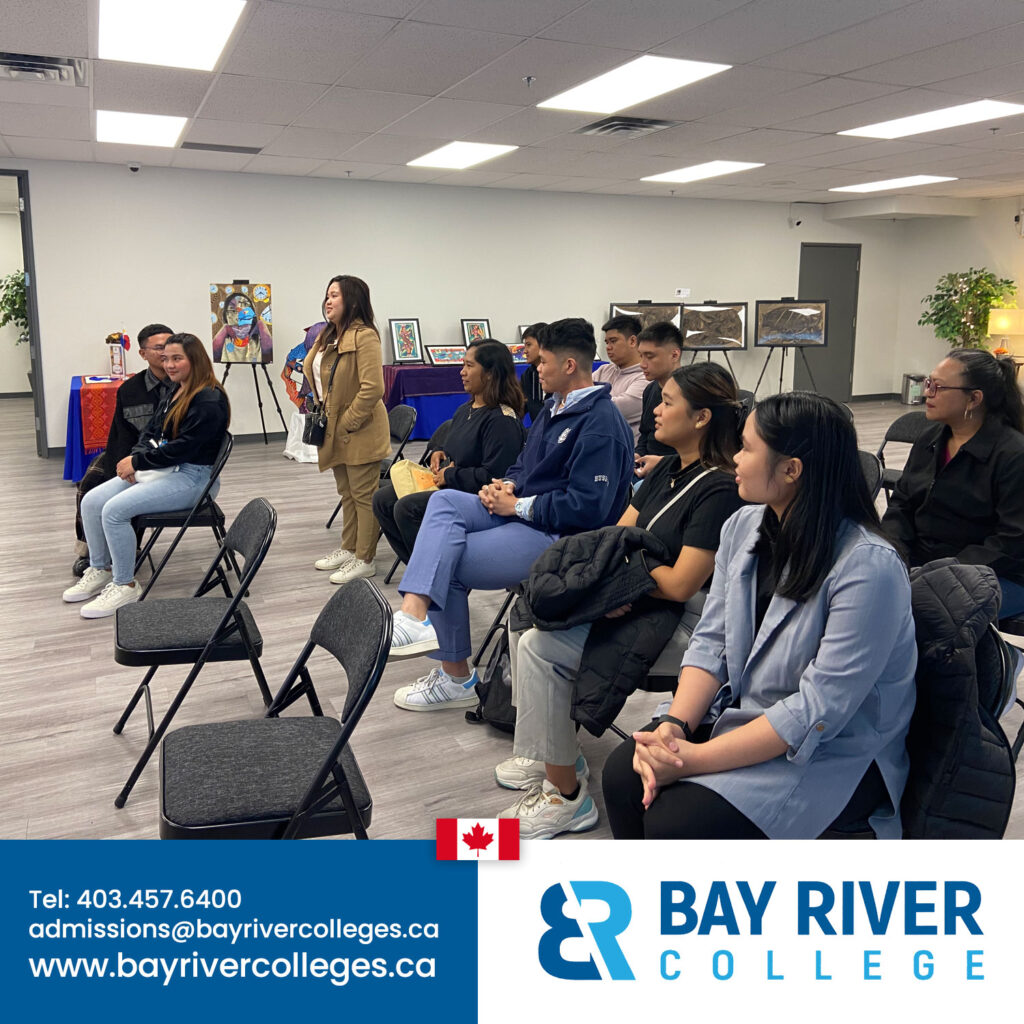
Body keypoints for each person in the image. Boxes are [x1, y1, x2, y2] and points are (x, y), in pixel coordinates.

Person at [602, 392, 918, 840]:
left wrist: (692, 759)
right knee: (622, 775)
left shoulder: (869, 567)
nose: (734, 458)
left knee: (677, 820)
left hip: (832, 751)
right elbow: (712, 640)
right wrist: (675, 725)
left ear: (791, 469)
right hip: (751, 715)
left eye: (747, 448)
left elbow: (816, 710)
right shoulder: (743, 526)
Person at [496, 363, 745, 839]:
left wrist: (622, 583)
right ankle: (554, 757)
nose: (655, 410)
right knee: (527, 617)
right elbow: (617, 536)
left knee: (540, 649)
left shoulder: (717, 489)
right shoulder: (669, 469)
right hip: (643, 604)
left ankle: (567, 797)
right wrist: (601, 590)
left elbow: (680, 586)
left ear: (701, 418)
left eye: (668, 402)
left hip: (688, 627)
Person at [388, 317, 635, 711]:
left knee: (446, 560)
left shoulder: (601, 423)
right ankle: (415, 615)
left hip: (561, 537)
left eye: (543, 362)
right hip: (525, 514)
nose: (536, 368)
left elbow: (588, 507)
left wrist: (517, 505)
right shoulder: (555, 409)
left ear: (569, 366)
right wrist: (508, 485)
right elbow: (525, 465)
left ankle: (455, 679)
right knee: (443, 502)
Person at [63, 333, 231, 619]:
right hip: (162, 468)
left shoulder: (209, 399)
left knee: (114, 511)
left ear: (196, 359)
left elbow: (183, 449)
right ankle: (100, 568)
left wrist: (139, 461)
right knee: (91, 501)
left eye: (177, 358)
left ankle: (125, 584)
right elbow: (150, 432)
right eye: (165, 358)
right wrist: (136, 460)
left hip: (194, 479)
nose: (169, 365)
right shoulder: (174, 388)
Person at [882, 349, 1024, 617]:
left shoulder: (1013, 455)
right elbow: (901, 504)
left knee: (914, 611)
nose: (927, 393)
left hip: (994, 576)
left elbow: (1011, 542)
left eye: (938, 387)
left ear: (974, 399)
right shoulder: (930, 439)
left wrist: (941, 574)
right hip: (925, 567)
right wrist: (894, 554)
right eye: (928, 383)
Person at [373, 340, 526, 566]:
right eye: (463, 365)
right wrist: (438, 451)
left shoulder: (502, 420)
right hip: (450, 486)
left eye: (469, 366)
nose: (462, 372)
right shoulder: (466, 409)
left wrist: (451, 476)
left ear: (490, 374)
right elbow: (452, 445)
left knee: (407, 508)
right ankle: (420, 567)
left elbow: (497, 477)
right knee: (382, 499)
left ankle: (439, 572)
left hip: (477, 498)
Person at [72, 323, 175, 576]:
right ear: (143, 354)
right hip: (130, 451)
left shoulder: (185, 385)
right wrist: (120, 466)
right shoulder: (130, 389)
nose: (165, 353)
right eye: (159, 347)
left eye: (171, 346)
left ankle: (132, 546)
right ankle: (89, 551)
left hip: (166, 458)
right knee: (91, 482)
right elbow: (120, 434)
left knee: (131, 492)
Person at [308, 275, 391, 584]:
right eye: (327, 295)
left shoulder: (365, 336)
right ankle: (349, 547)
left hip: (360, 428)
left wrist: (347, 422)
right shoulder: (329, 334)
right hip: (334, 426)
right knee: (347, 493)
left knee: (364, 495)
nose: (328, 301)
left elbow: (372, 389)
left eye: (335, 296)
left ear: (353, 301)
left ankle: (365, 558)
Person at [634, 320, 683, 478]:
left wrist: (663, 463)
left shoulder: (692, 391)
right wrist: (638, 455)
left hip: (678, 471)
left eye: (649, 356)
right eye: (641, 356)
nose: (642, 364)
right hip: (648, 467)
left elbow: (705, 452)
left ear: (674, 355)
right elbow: (645, 434)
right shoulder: (650, 389)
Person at [595, 315, 648, 441]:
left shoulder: (645, 378)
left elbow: (611, 411)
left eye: (613, 341)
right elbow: (576, 392)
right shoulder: (604, 370)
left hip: (626, 453)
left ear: (632, 341)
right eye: (607, 342)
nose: (608, 347)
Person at [212, 292, 273, 363]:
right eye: (233, 310)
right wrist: (225, 329)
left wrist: (261, 325)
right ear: (226, 315)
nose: (239, 317)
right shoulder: (225, 341)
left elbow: (269, 357)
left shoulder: (257, 342)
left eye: (245, 311)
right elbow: (213, 357)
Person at [519, 323, 548, 422]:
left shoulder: (557, 373)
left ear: (543, 344)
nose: (525, 351)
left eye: (529, 345)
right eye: (524, 346)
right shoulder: (527, 376)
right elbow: (520, 408)